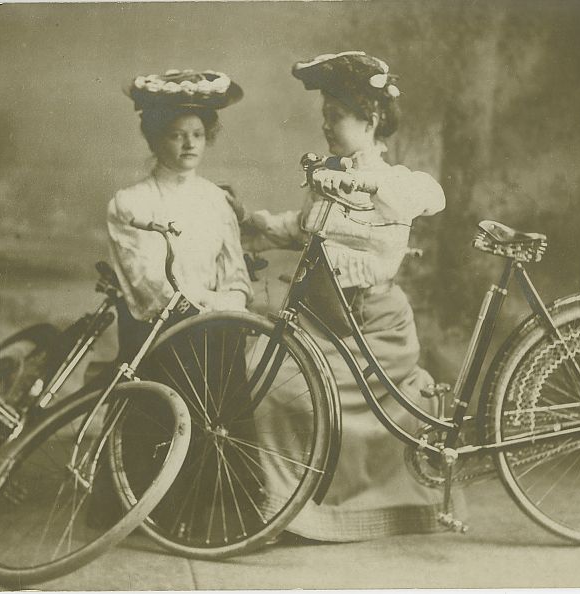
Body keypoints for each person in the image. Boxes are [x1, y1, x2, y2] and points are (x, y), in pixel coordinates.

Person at [240, 51, 456, 542]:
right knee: (267, 377)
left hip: (371, 326)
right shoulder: (328, 175)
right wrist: (257, 226)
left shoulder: (397, 183)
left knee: (295, 392)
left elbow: (429, 196)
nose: (326, 126)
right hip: (322, 318)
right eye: (324, 117)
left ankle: (361, 511)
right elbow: (303, 228)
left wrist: (359, 179)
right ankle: (287, 510)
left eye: (335, 116)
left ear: (371, 118)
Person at [106, 68, 252, 355]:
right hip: (160, 338)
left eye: (197, 134)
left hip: (219, 335)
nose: (190, 144)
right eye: (177, 135)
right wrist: (209, 304)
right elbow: (150, 285)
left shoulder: (217, 199)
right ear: (156, 139)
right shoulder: (130, 203)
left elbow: (235, 275)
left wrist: (230, 302)